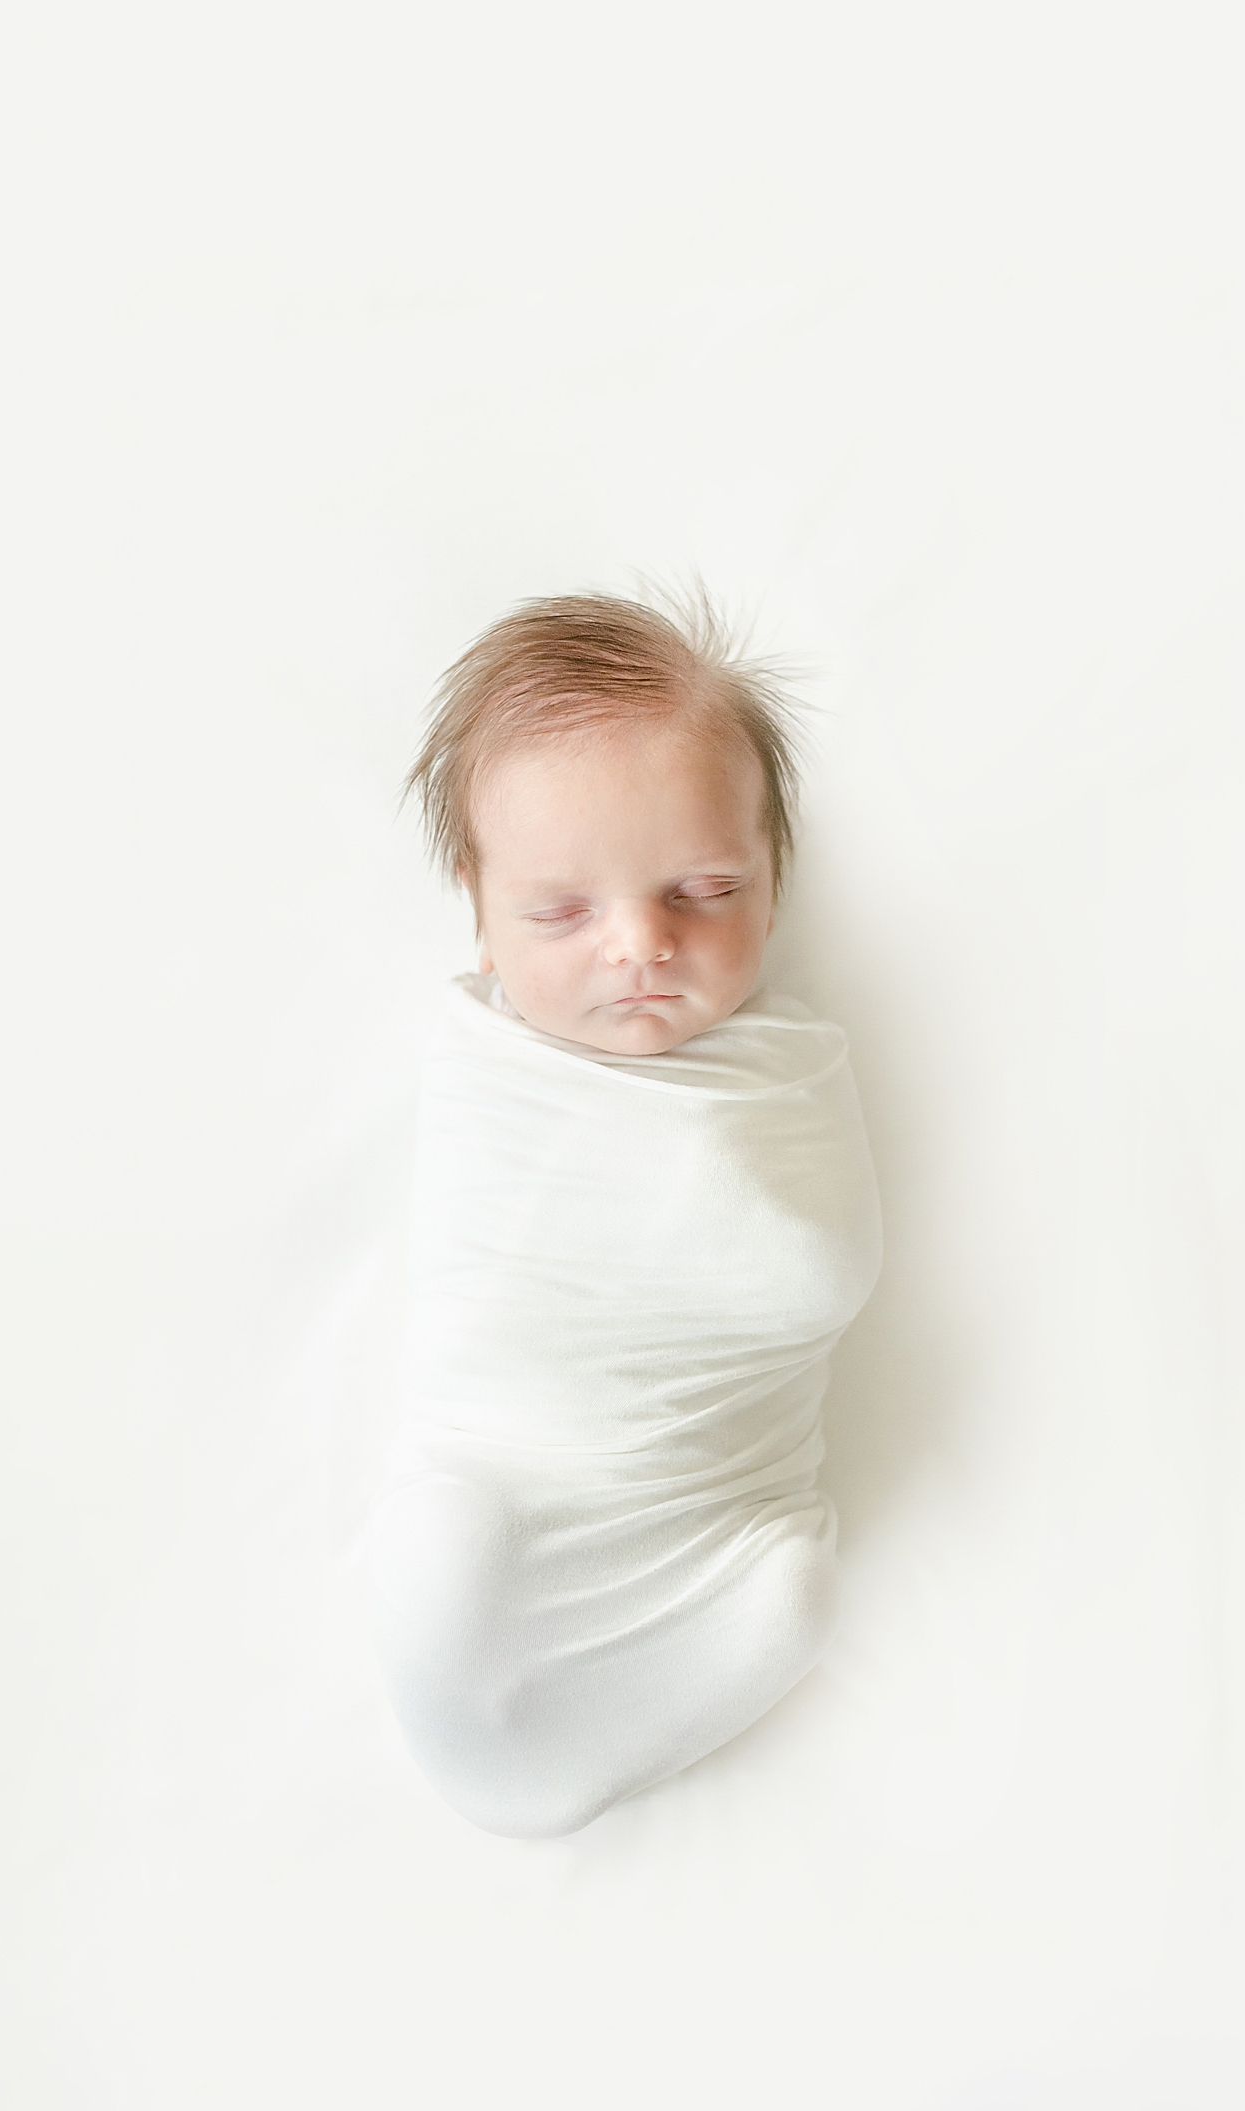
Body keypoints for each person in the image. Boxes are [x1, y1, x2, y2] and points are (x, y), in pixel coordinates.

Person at [365, 590, 882, 1836]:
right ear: (478, 910)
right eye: (560, 912)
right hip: (517, 1467)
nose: (639, 943)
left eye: (702, 889)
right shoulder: (485, 1067)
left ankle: (644, 1688)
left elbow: (826, 1269)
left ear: (772, 871)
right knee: (446, 1549)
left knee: (794, 1595)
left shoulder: (792, 1069)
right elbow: (485, 1286)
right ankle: (485, 1740)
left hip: (711, 1495)